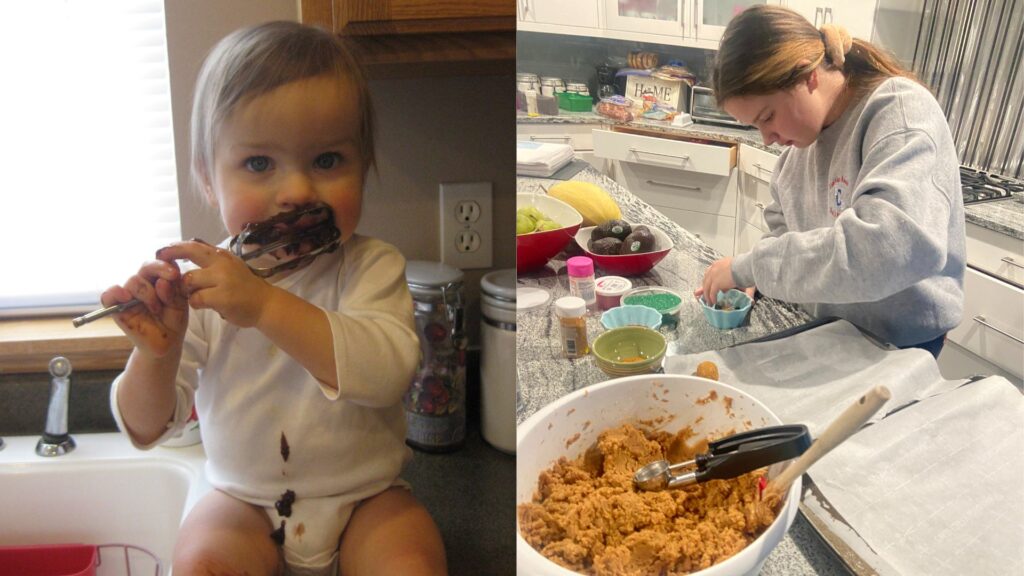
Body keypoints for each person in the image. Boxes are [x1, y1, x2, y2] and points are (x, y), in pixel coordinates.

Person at [102, 21, 447, 576]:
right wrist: (157, 355)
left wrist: (263, 306)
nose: (296, 192)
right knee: (200, 563)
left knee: (412, 563)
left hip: (368, 497)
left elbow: (387, 374)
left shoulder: (370, 266)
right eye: (259, 164)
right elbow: (145, 428)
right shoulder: (201, 289)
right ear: (208, 181)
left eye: (328, 160)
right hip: (244, 502)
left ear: (364, 166)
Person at [697, 5, 964, 358]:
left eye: (767, 116)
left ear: (807, 76)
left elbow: (887, 250)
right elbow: (785, 236)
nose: (766, 138)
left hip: (900, 344)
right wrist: (755, 280)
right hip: (833, 334)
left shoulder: (898, 111)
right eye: (755, 126)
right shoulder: (796, 155)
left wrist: (749, 267)